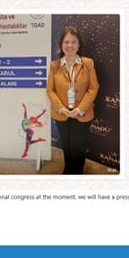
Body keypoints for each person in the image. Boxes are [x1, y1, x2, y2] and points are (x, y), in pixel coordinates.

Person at [46, 27, 100, 174]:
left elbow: (93, 88)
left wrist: (80, 109)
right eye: (66, 42)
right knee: (66, 145)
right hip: (61, 112)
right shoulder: (54, 65)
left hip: (82, 113)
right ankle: (67, 169)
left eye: (74, 42)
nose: (70, 45)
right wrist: (61, 109)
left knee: (78, 146)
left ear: (79, 44)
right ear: (61, 44)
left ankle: (77, 172)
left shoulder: (87, 63)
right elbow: (50, 90)